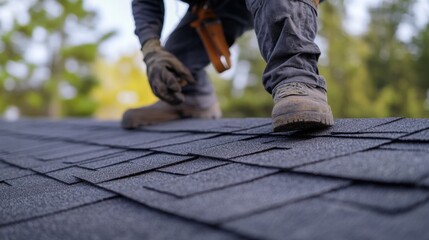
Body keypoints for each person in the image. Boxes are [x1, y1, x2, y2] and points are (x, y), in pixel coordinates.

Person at [122, 0, 333, 132]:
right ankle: (190, 98)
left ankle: (298, 80)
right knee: (175, 59)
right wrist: (151, 49)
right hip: (216, 4)